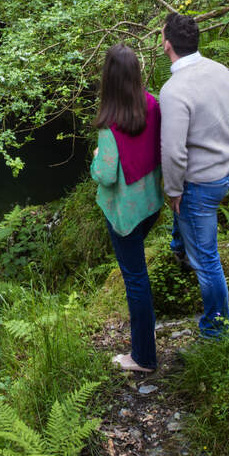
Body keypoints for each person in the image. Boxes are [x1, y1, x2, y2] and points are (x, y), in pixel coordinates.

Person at [159, 11, 229, 338]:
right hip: (227, 170)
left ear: (167, 45)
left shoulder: (174, 90)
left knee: (207, 261)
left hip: (200, 185)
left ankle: (216, 330)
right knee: (190, 228)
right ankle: (179, 245)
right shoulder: (221, 71)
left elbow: (174, 153)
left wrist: (173, 191)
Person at [91, 43, 164, 373]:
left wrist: (94, 162)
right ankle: (143, 342)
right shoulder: (152, 104)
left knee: (136, 280)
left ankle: (143, 357)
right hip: (150, 204)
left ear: (107, 78)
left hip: (123, 214)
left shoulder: (110, 126)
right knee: (138, 276)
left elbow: (106, 177)